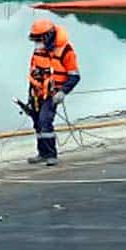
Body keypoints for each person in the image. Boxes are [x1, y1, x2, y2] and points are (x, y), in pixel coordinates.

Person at [26, 19, 80, 167]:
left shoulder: (66, 51)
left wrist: (62, 92)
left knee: (45, 121)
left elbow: (75, 76)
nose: (37, 43)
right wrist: (30, 95)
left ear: (48, 37)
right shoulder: (38, 50)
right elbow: (33, 72)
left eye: (39, 40)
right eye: (35, 40)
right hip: (37, 93)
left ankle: (51, 154)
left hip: (53, 94)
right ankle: (42, 153)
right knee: (37, 123)